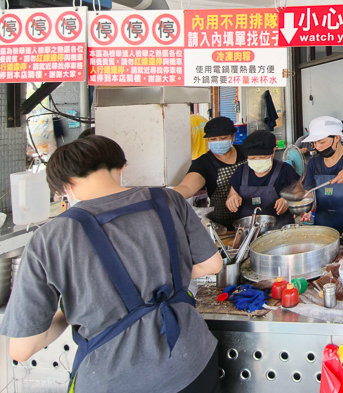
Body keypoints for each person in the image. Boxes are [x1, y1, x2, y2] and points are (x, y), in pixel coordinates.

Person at [0, 136, 222, 393]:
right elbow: (212, 264)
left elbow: (22, 348)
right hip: (193, 361)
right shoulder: (167, 200)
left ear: (65, 186)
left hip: (117, 379)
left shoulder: (51, 237)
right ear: (121, 168)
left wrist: (66, 310)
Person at [173, 116, 246, 228]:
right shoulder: (203, 163)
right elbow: (187, 187)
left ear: (233, 137)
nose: (218, 142)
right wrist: (165, 197)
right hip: (224, 226)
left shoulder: (246, 153)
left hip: (252, 220)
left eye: (223, 138)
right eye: (213, 139)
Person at [225, 130, 299, 228]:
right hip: (249, 231)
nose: (257, 161)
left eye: (262, 157)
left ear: (273, 151)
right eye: (252, 158)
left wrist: (287, 200)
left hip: (280, 231)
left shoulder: (285, 170)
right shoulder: (241, 171)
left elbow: (301, 195)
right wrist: (232, 199)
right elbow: (232, 194)